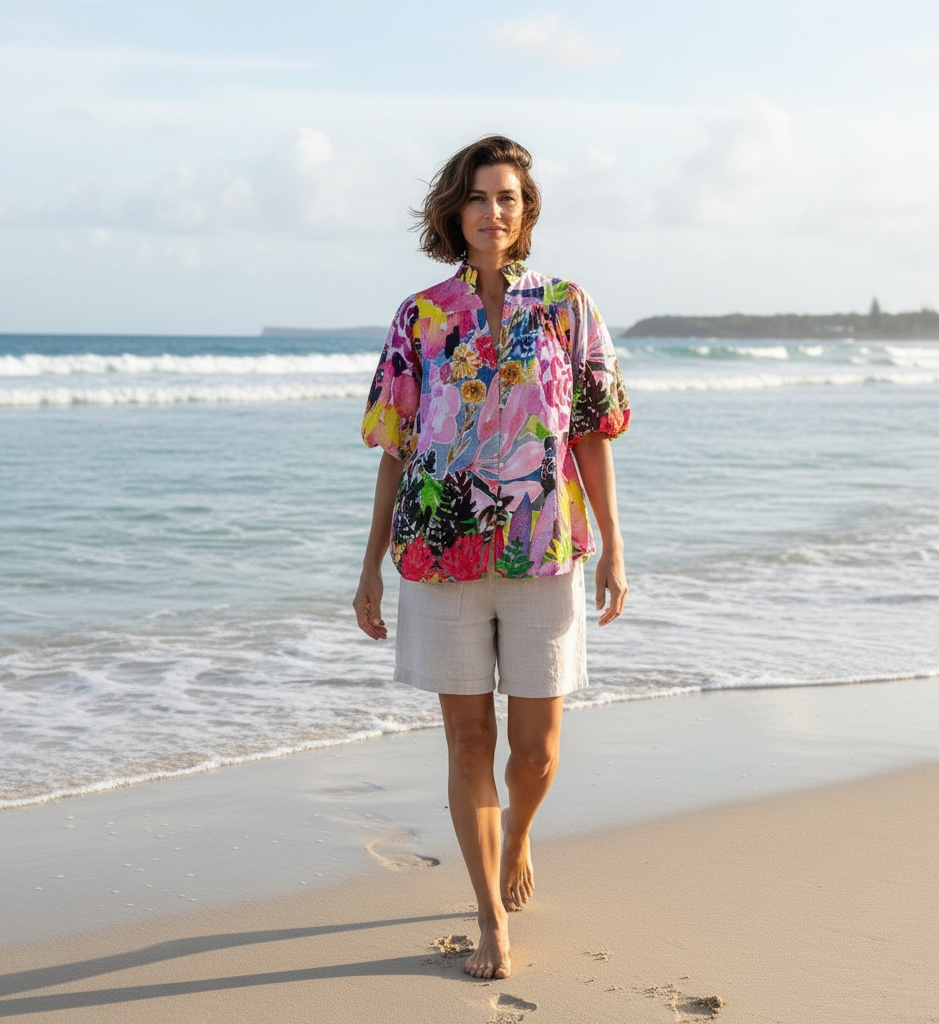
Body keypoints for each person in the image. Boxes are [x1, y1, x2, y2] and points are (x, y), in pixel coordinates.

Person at [353, 135, 629, 980]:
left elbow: (589, 432)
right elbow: (396, 448)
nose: (492, 212)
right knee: (468, 740)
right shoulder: (421, 315)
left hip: (546, 551)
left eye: (506, 197)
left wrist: (615, 544)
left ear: (525, 209)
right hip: (440, 556)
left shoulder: (568, 307)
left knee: (537, 750)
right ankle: (488, 919)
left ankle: (520, 834)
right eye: (478, 198)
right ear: (455, 212)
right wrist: (368, 566)